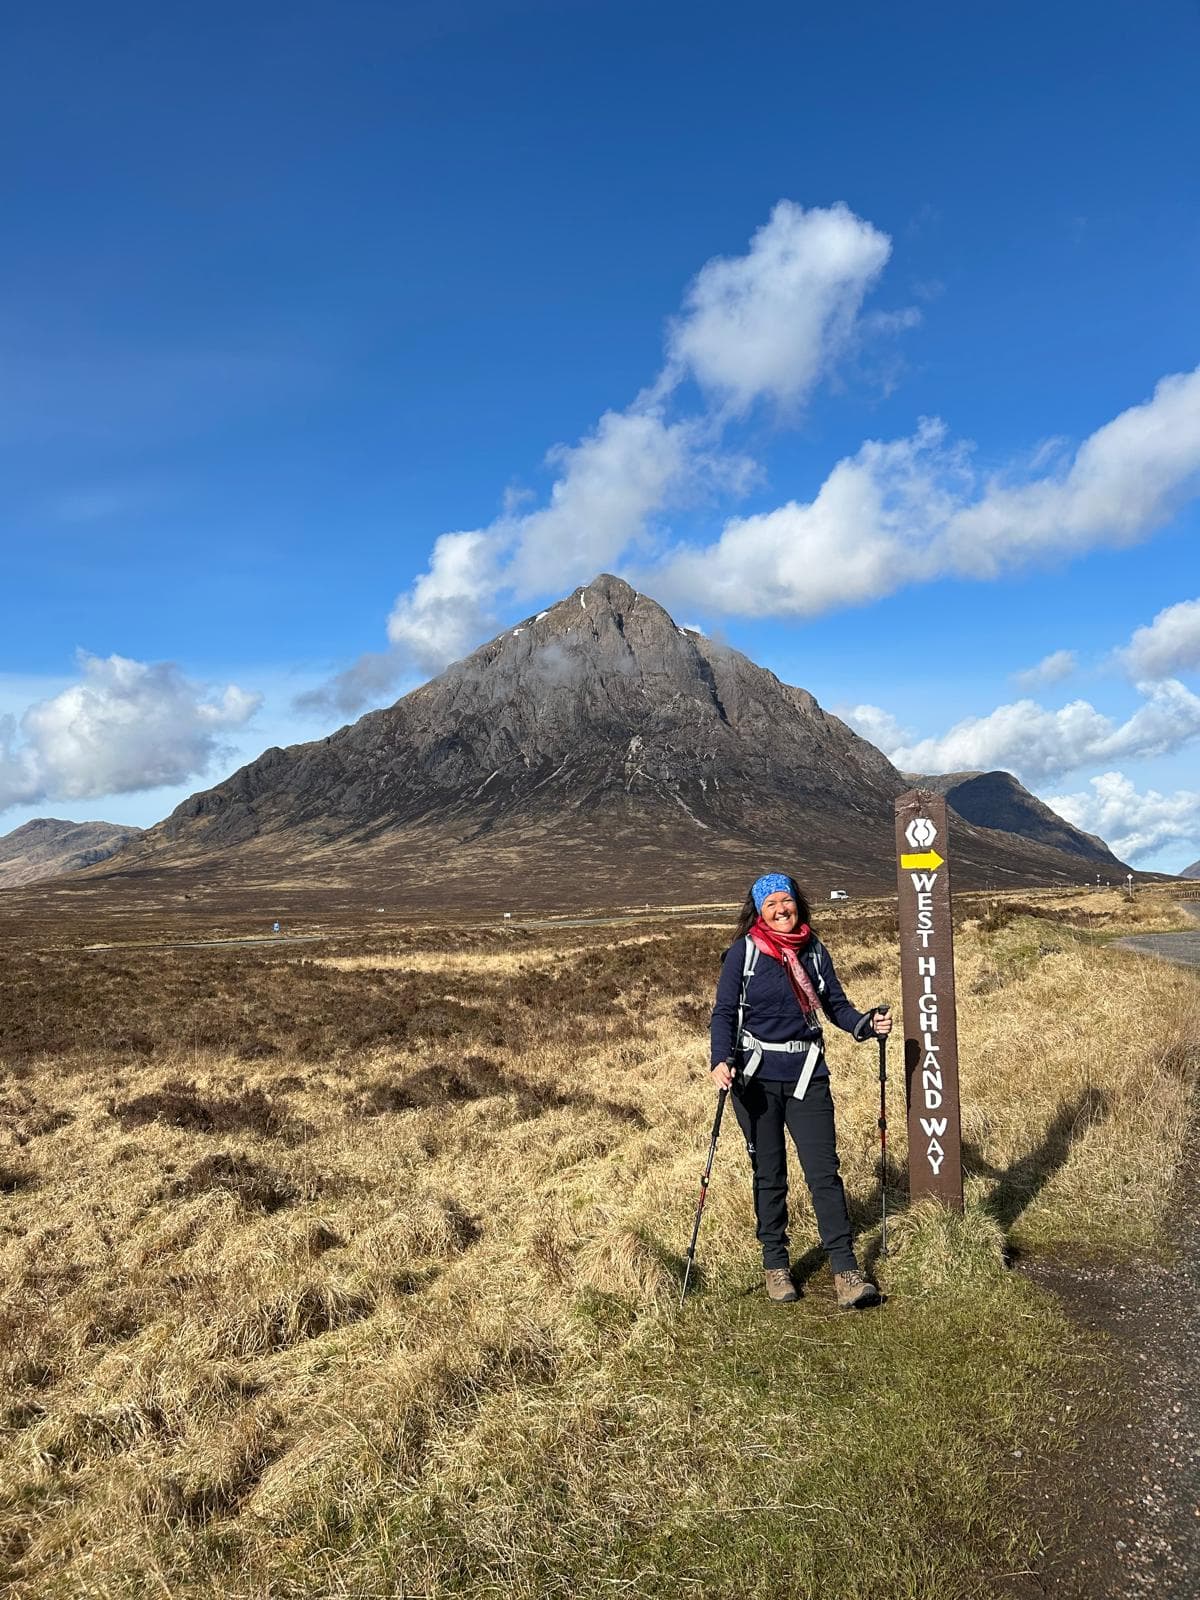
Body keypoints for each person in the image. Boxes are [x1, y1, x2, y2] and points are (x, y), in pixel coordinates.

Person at [709, 872, 892, 1308]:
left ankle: (846, 1270)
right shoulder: (744, 953)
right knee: (769, 1176)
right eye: (770, 903)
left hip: (808, 1073)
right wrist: (720, 1060)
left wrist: (864, 1025)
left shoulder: (813, 950)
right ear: (759, 910)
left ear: (797, 904)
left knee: (824, 1173)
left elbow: (836, 1006)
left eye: (785, 901)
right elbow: (723, 1013)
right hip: (754, 1080)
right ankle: (776, 1265)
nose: (780, 909)